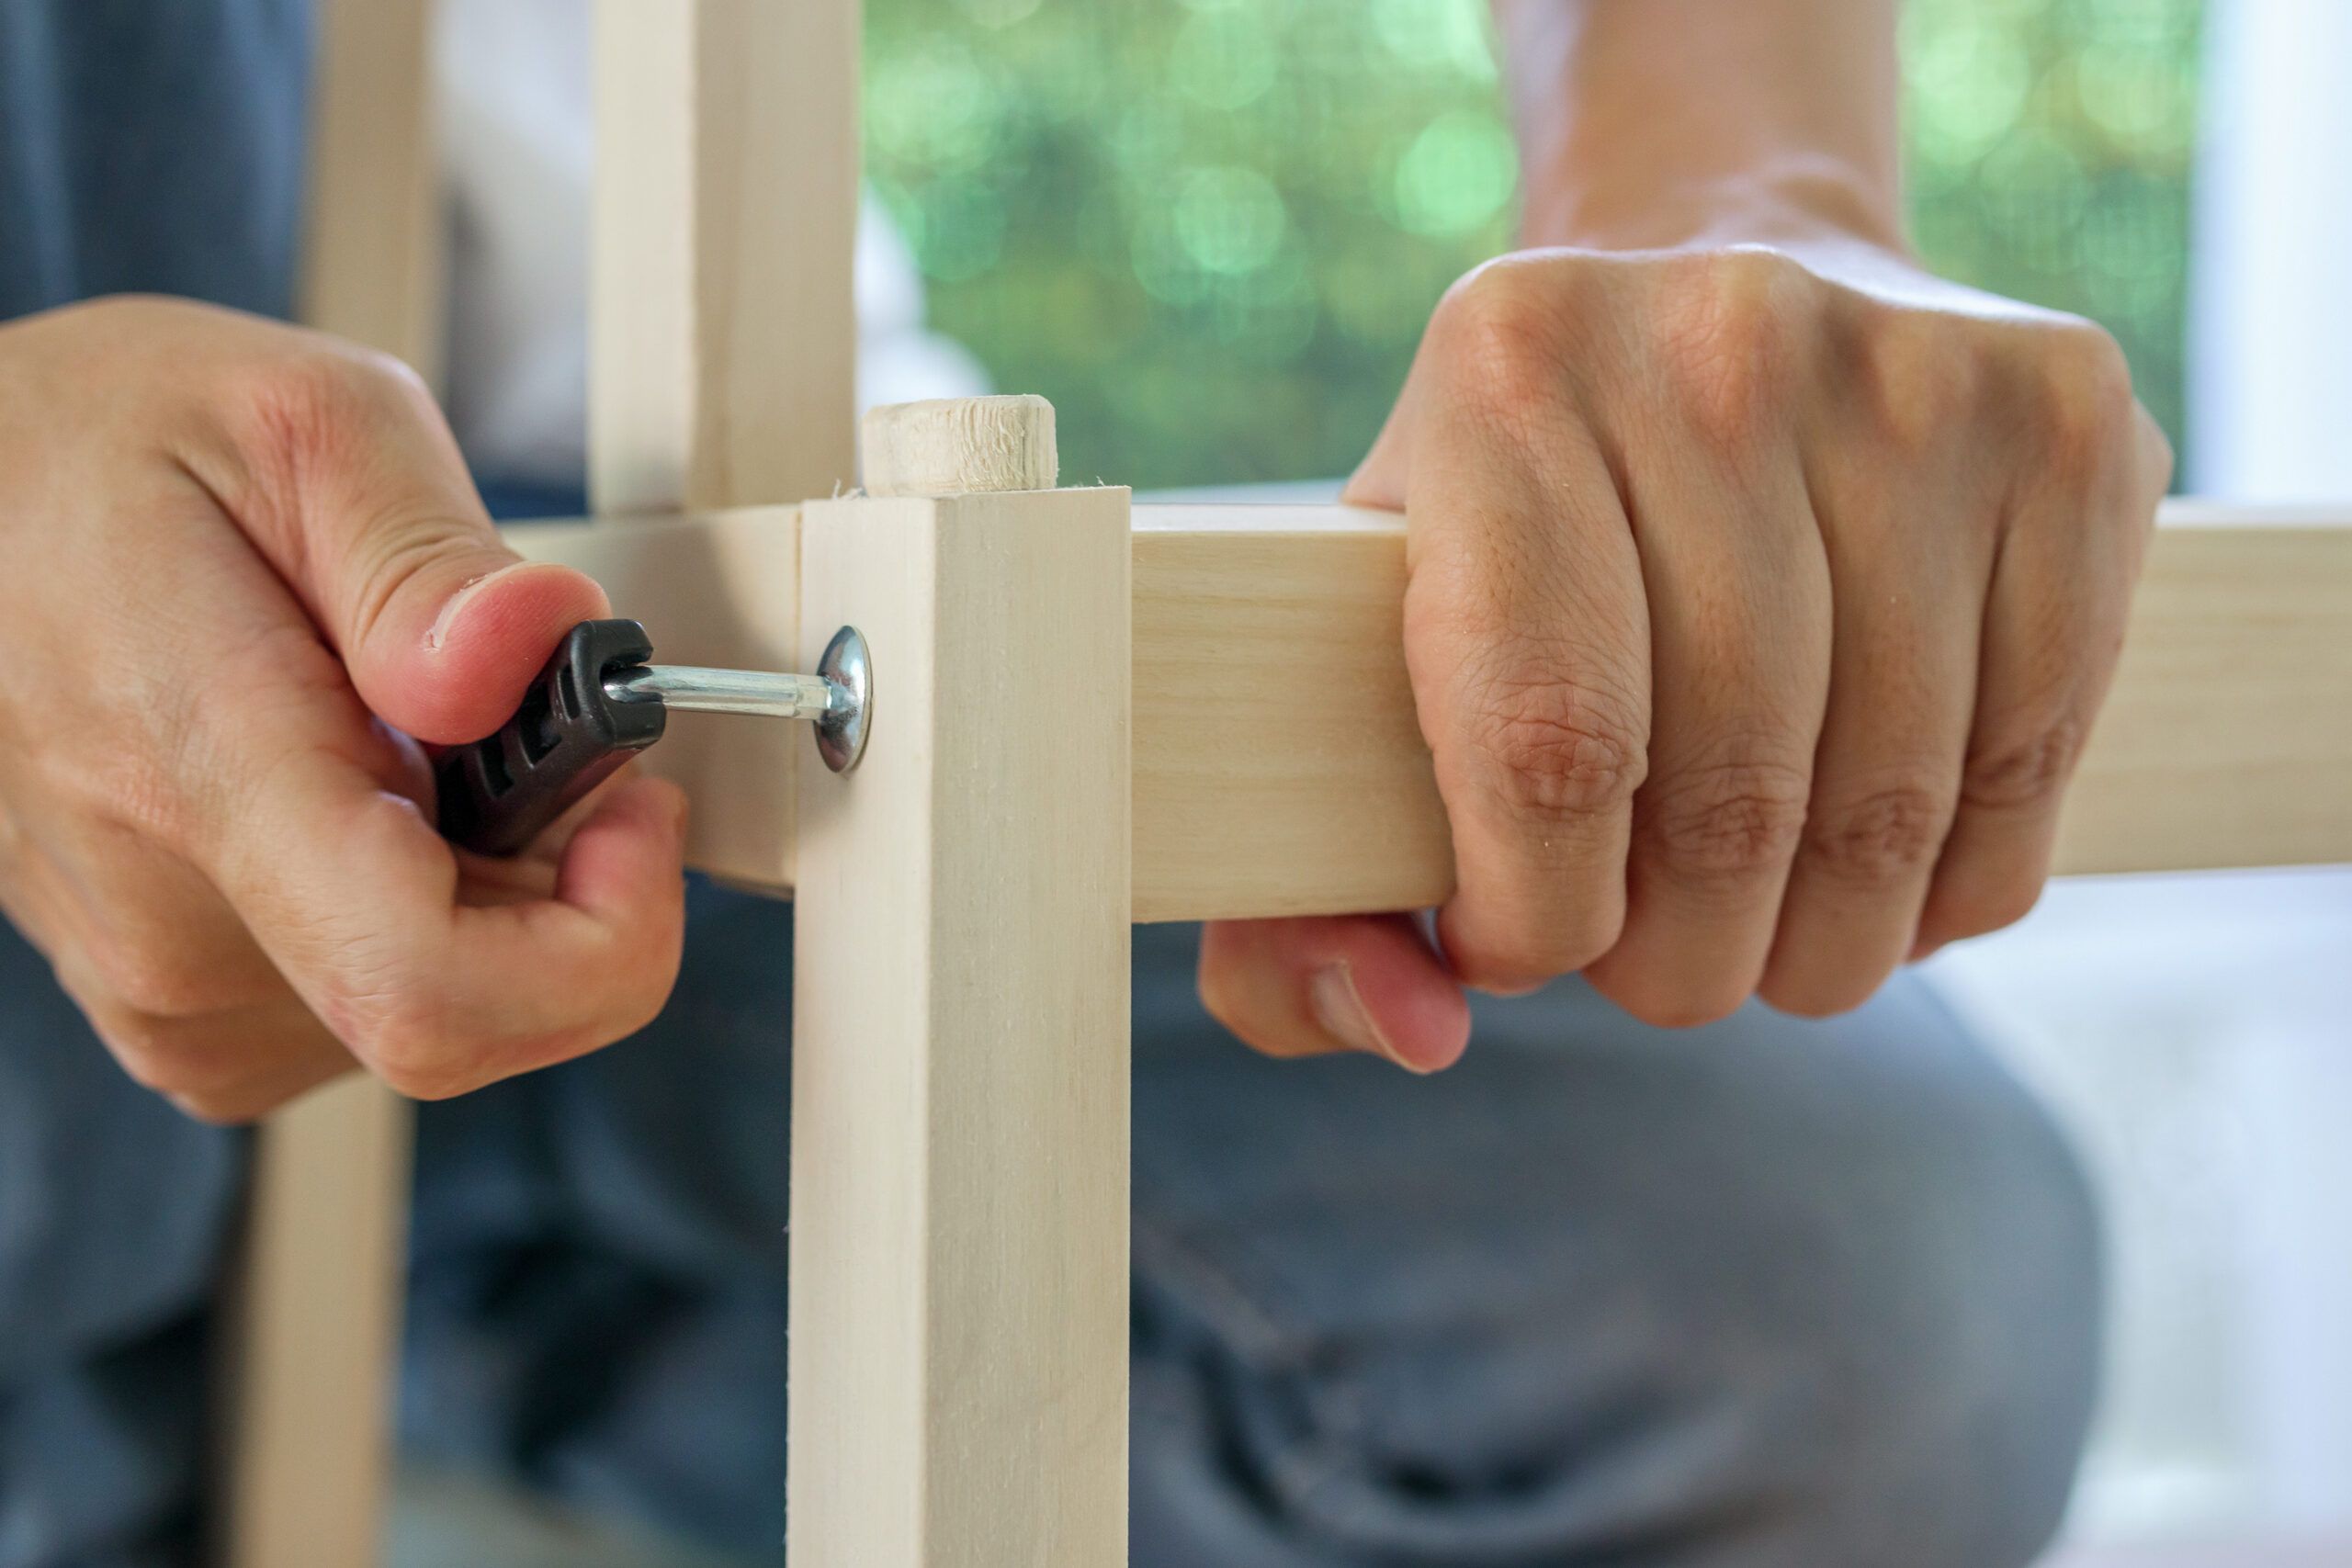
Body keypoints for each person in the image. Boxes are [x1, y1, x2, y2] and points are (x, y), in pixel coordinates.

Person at [0, 2, 2159, 1564]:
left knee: (1857, 1291)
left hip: (696, 548)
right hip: (106, 529)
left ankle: (473, 1322)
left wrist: (1742, 196)